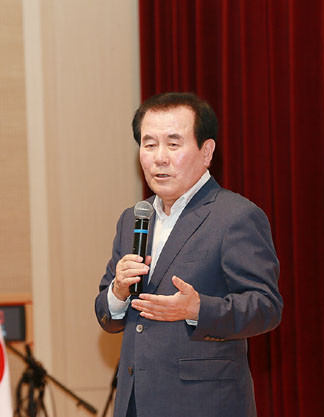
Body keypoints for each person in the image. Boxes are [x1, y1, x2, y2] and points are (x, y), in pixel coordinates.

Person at [94, 92, 283, 417]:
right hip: (135, 403)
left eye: (173, 144)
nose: (159, 158)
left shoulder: (235, 216)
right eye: (149, 144)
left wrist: (198, 309)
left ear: (206, 152)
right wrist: (118, 292)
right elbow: (107, 315)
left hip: (204, 404)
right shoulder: (133, 219)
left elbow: (266, 307)